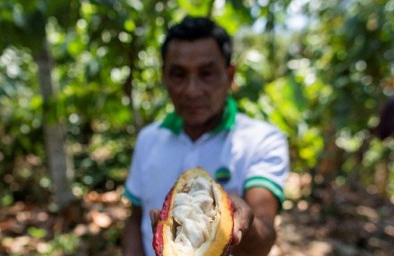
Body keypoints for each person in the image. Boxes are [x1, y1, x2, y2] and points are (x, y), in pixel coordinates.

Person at [122, 16, 289, 256]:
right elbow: (134, 219)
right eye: (179, 74)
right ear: (164, 77)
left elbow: (265, 239)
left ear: (229, 75)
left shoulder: (262, 139)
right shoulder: (148, 138)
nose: (192, 90)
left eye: (207, 74)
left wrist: (244, 227)